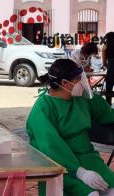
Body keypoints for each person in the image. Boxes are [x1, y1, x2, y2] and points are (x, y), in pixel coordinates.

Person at [26, 59, 114, 196]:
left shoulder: (81, 98)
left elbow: (106, 113)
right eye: (78, 79)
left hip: (88, 158)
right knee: (91, 194)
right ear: (65, 83)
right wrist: (80, 172)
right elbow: (50, 146)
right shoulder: (42, 108)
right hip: (59, 164)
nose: (82, 82)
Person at [102, 32, 114, 105]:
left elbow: (104, 63)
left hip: (111, 70)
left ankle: (108, 105)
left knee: (108, 91)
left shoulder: (105, 46)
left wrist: (108, 66)